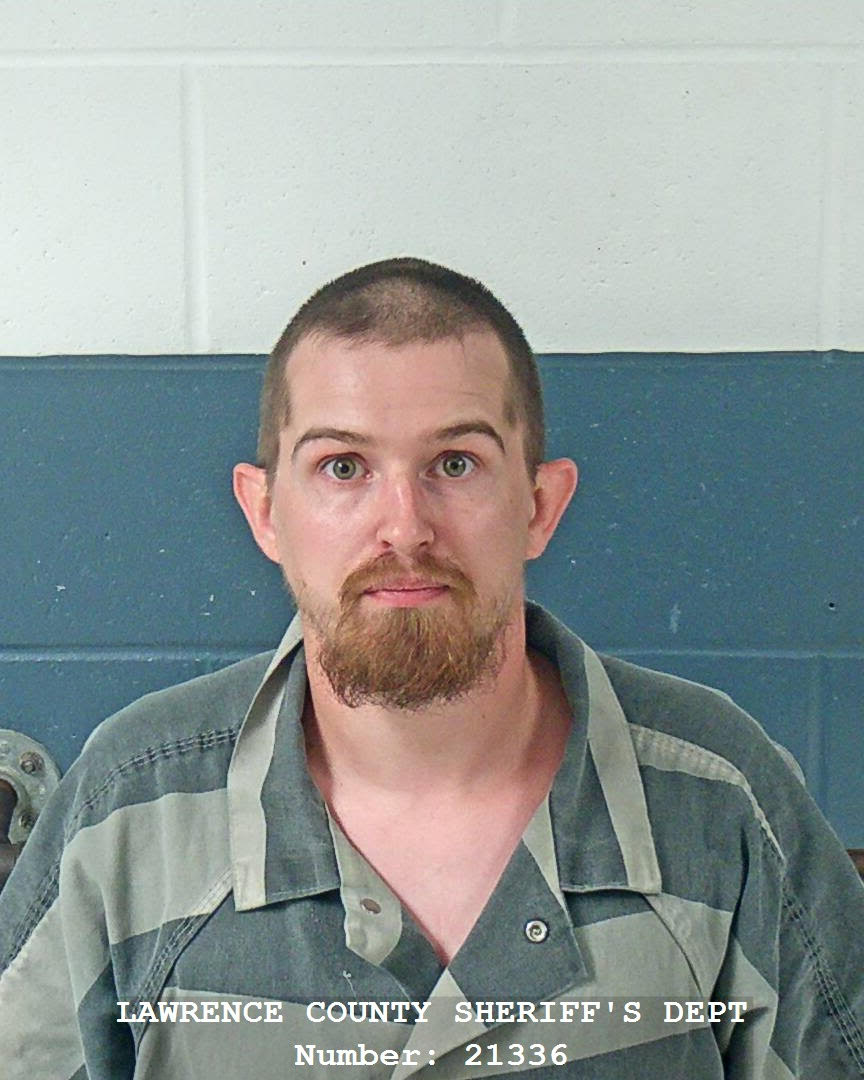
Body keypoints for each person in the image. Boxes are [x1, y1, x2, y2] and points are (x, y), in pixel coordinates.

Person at [0, 257, 862, 1079]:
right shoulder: (127, 810)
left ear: (540, 505)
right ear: (265, 514)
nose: (406, 526)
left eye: (456, 464)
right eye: (343, 467)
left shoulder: (722, 799)